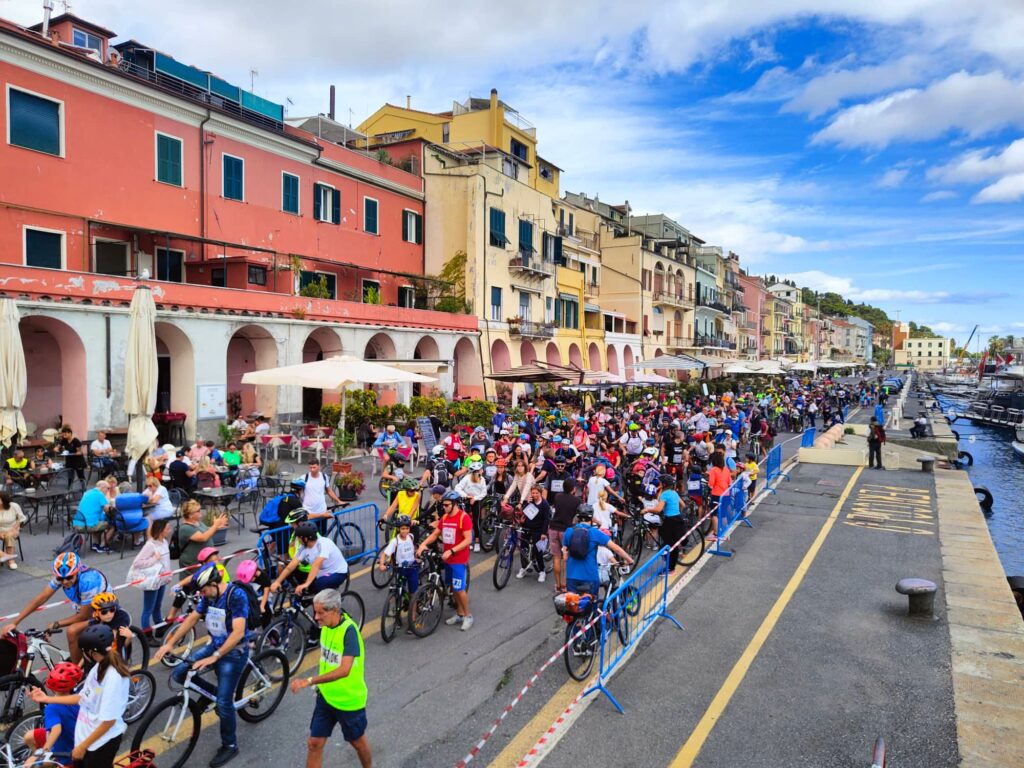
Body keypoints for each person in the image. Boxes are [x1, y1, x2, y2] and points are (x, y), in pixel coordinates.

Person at [155, 564, 250, 768]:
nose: (202, 595)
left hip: (234, 652)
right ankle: (212, 694)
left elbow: (238, 633)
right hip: (215, 644)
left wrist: (215, 657)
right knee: (180, 673)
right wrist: (170, 643)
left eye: (204, 590)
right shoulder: (209, 595)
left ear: (215, 584)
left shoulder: (236, 595)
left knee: (224, 703)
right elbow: (192, 619)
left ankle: (230, 745)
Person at [289, 588, 371, 768]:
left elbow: (344, 670)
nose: (316, 617)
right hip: (326, 697)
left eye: (320, 613)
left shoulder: (349, 632)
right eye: (315, 612)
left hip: (348, 701)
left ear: (334, 610)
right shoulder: (326, 626)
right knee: (314, 743)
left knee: (357, 743)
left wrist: (310, 681)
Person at [30, 624, 129, 768]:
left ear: (91, 652)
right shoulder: (99, 667)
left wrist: (83, 746)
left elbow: (108, 721)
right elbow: (83, 697)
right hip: (86, 737)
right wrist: (46, 699)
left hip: (99, 743)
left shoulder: (113, 678)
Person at [2, 553, 108, 663]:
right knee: (80, 640)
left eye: (69, 578)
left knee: (72, 631)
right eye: (60, 579)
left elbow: (83, 616)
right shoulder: (63, 576)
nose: (65, 582)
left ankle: (77, 670)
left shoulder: (88, 581)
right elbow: (42, 597)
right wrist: (15, 622)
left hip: (105, 612)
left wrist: (56, 624)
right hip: (86, 607)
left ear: (77, 572)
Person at [416, 491, 473, 630]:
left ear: (455, 504)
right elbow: (436, 534)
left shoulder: (463, 518)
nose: (444, 507)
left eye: (447, 505)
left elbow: (468, 540)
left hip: (458, 559)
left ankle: (468, 615)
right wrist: (423, 544)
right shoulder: (445, 518)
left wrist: (452, 551)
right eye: (444, 505)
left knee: (459, 589)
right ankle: (459, 614)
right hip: (447, 558)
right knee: (453, 587)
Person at [561, 504, 633, 596]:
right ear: (591, 518)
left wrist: (563, 580)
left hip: (572, 576)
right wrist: (629, 560)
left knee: (573, 603)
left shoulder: (569, 531)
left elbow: (565, 557)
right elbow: (616, 548)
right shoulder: (595, 533)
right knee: (590, 602)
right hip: (590, 576)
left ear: (578, 517)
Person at [20, 662, 81, 767]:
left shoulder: (51, 708)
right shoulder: (77, 697)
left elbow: (56, 730)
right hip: (77, 738)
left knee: (42, 759)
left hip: (66, 749)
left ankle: (46, 762)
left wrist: (40, 753)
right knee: (29, 736)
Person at [270, 521, 350, 598]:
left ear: (305, 539)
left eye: (298, 537)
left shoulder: (324, 544)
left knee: (319, 586)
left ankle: (329, 604)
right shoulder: (303, 547)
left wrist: (306, 584)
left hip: (338, 572)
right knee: (298, 578)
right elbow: (292, 565)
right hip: (321, 573)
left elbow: (316, 565)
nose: (297, 539)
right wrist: (278, 581)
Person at [128, 518, 173, 644]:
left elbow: (166, 561)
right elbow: (137, 563)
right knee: (148, 609)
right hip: (152, 581)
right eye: (167, 528)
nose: (169, 530)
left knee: (157, 606)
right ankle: (147, 635)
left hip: (161, 580)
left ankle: (159, 627)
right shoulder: (150, 545)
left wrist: (168, 576)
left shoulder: (164, 542)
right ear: (160, 530)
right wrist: (154, 559)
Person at [176, 499, 228, 571]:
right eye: (198, 511)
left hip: (206, 561)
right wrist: (215, 525)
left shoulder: (198, 523)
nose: (200, 512)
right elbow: (203, 537)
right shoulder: (185, 528)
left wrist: (217, 526)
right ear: (190, 515)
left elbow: (207, 531)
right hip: (193, 564)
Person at [649, 474, 686, 572]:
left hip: (670, 521)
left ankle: (670, 568)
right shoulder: (674, 492)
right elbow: (683, 505)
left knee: (669, 544)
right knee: (670, 541)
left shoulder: (664, 494)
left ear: (664, 484)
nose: (659, 484)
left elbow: (658, 509)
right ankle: (671, 562)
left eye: (661, 483)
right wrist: (677, 512)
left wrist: (647, 510)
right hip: (677, 518)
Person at [515, 485, 550, 583]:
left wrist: (544, 533)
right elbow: (524, 513)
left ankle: (542, 571)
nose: (534, 495)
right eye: (533, 493)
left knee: (537, 550)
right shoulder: (530, 501)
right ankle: (524, 568)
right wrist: (527, 503)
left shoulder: (545, 504)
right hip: (527, 527)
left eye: (536, 493)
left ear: (540, 493)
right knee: (523, 548)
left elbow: (546, 520)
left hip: (538, 529)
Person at [72, 481, 115, 553]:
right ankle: (102, 546)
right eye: (108, 488)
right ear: (102, 487)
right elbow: (107, 509)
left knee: (97, 521)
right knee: (112, 526)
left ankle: (95, 544)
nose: (108, 491)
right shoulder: (99, 495)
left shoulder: (87, 493)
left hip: (77, 524)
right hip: (87, 526)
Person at [0, 490, 27, 569]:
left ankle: (11, 560)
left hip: (12, 528)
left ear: (4, 499)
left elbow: (21, 519)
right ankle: (3, 555)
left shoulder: (14, 506)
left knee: (9, 535)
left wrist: (15, 528)